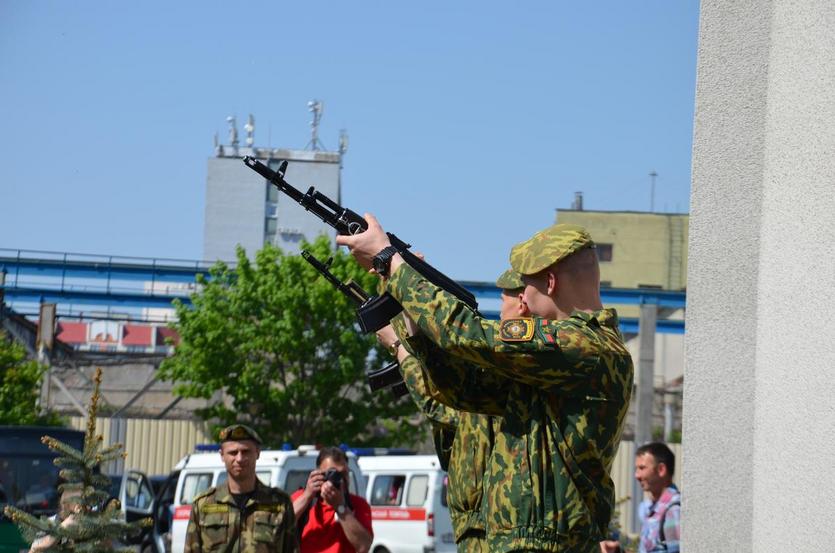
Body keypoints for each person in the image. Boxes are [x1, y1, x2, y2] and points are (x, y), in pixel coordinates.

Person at [338, 217, 634, 552]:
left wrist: (391, 261)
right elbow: (464, 390)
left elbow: (468, 334)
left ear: (549, 282)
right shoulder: (562, 359)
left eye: (527, 284)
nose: (523, 296)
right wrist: (410, 305)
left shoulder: (584, 346)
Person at [376, 268, 528, 553]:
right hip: (478, 527)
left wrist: (399, 348)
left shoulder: (505, 377)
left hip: (486, 531)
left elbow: (439, 404)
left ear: (521, 302)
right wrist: (397, 279)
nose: (500, 307)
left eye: (505, 298)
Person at [185, 424, 297, 553]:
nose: (239, 458)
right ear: (222, 455)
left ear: (257, 453)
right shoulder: (203, 505)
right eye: (233, 453)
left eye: (246, 451)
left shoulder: (280, 503)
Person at [291, 447, 373, 553]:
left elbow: (363, 546)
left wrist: (341, 508)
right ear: (319, 474)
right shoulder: (303, 499)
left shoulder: (358, 504)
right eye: (333, 473)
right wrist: (307, 495)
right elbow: (278, 526)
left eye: (344, 474)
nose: (340, 479)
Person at [633, 443, 680, 553]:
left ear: (661, 469)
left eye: (642, 468)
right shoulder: (652, 507)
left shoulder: (672, 510)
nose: (637, 475)